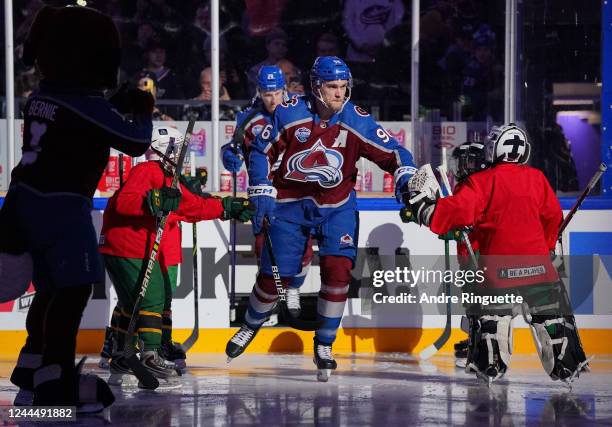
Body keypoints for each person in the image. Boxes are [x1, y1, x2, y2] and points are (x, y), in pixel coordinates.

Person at [0, 5, 154, 411]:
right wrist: (142, 109)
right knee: (73, 289)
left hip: (25, 197)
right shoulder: (83, 104)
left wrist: (113, 102)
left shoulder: (43, 96)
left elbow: (85, 119)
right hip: (62, 206)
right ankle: (56, 375)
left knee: (52, 288)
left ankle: (33, 363)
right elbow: (135, 141)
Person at [225, 56, 417, 381]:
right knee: (275, 277)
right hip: (290, 207)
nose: (340, 94)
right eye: (333, 87)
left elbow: (395, 153)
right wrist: (260, 185)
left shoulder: (357, 120)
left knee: (338, 272)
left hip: (338, 206)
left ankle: (325, 343)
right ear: (316, 87)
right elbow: (260, 150)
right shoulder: (289, 113)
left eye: (344, 87)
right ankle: (251, 324)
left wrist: (406, 176)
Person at [405, 123, 590, 385]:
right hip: (539, 268)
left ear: (493, 149)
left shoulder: (480, 182)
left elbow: (455, 213)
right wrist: (547, 247)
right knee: (553, 315)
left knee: (491, 319)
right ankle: (566, 363)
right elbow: (552, 218)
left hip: (496, 271)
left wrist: (424, 208)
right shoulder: (537, 178)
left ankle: (490, 364)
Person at [98, 125, 252, 386]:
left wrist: (225, 207)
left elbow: (193, 206)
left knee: (132, 304)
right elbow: (124, 202)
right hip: (128, 246)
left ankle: (121, 357)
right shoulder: (147, 170)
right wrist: (151, 201)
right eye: (179, 149)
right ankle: (150, 354)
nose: (183, 155)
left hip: (125, 247)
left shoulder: (167, 179)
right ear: (165, 150)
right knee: (153, 298)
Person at [221, 65, 313, 318]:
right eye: (266, 93)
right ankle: (268, 302)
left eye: (276, 92)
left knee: (302, 248)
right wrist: (229, 155)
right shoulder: (249, 118)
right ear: (259, 92)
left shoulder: (298, 112)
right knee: (266, 252)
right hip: (263, 196)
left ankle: (293, 287)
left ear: (284, 89)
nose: (272, 99)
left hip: (295, 194)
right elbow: (233, 147)